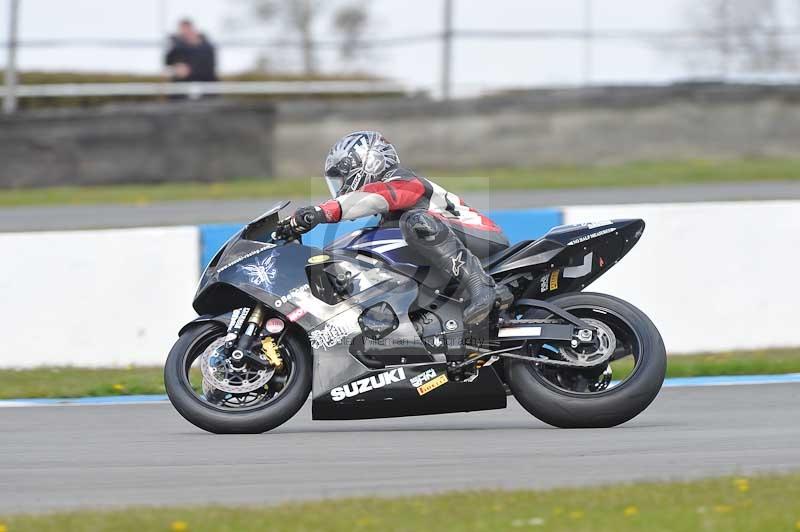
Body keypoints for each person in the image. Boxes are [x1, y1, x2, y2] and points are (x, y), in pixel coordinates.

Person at [281, 131, 509, 326]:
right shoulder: (389, 215)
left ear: (369, 163)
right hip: (451, 248)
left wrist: (321, 212)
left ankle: (480, 286)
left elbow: (373, 197)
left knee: (416, 222)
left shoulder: (403, 180)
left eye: (342, 178)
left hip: (480, 236)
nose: (341, 187)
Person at [165, 19, 217, 83]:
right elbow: (168, 62)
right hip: (182, 84)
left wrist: (189, 71)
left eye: (186, 29)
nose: (185, 32)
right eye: (182, 30)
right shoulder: (177, 46)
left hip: (204, 83)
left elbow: (209, 67)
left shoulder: (206, 47)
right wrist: (177, 68)